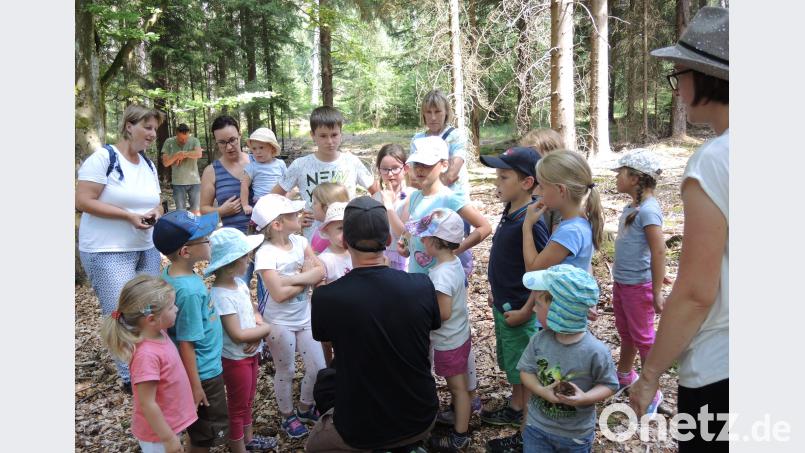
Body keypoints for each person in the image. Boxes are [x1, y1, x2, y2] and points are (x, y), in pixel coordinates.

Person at [630, 7, 729, 451]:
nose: (677, 86)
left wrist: (649, 375)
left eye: (678, 73)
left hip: (721, 369)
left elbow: (695, 291)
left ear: (706, 78)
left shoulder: (714, 161)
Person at [306, 196, 440, 452]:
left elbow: (328, 344)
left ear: (345, 242)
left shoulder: (326, 297)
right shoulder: (421, 286)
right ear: (388, 241)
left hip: (360, 429)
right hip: (420, 415)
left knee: (315, 444)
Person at [77, 104, 165, 392]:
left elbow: (157, 201)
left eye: (155, 129)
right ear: (129, 126)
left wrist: (156, 212)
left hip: (146, 246)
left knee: (150, 307)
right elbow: (83, 201)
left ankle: (150, 365)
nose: (153, 134)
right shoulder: (104, 159)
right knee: (120, 311)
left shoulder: (148, 164)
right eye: (147, 127)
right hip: (107, 250)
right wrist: (128, 216)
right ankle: (130, 377)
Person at [477, 147, 550, 453]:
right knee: (512, 361)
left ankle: (529, 430)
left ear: (527, 182)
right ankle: (517, 404)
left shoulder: (532, 221)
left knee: (526, 367)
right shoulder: (511, 209)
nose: (498, 181)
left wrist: (526, 309)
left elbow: (544, 271)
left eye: (504, 176)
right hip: (505, 305)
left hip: (521, 310)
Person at [518, 264, 618, 453]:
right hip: (537, 428)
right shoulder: (539, 340)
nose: (533, 310)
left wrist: (585, 398)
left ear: (559, 312)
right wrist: (541, 390)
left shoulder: (595, 351)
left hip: (575, 435)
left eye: (538, 305)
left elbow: (609, 385)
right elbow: (526, 371)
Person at [153, 210, 229, 452]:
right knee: (204, 436)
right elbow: (186, 342)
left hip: (197, 370)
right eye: (206, 238)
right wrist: (196, 387)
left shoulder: (171, 275)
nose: (210, 239)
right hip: (204, 373)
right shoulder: (189, 291)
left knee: (196, 429)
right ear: (185, 252)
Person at [251, 194, 326, 439]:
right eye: (293, 214)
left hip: (305, 317)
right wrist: (306, 279)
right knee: (287, 370)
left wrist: (292, 279)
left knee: (318, 368)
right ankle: (287, 415)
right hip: (278, 322)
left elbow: (320, 271)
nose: (300, 215)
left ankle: (305, 407)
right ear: (277, 224)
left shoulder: (301, 242)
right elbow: (278, 294)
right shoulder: (266, 253)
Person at [101, 275, 196, 453]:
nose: (176, 309)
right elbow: (147, 403)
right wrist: (168, 438)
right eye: (171, 307)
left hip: (168, 425)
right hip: (159, 435)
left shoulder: (158, 332)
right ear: (151, 319)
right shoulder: (146, 355)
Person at [406, 209, 474, 452]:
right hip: (458, 334)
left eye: (424, 237)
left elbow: (442, 313)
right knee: (460, 386)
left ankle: (460, 435)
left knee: (458, 388)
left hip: (449, 341)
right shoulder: (452, 263)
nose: (421, 240)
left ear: (435, 242)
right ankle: (459, 416)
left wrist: (418, 314)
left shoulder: (442, 275)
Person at [206, 228, 278, 452]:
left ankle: (248, 440)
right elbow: (236, 334)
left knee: (248, 400)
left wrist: (257, 324)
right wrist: (265, 329)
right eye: (245, 256)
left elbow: (252, 309)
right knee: (237, 407)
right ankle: (238, 447)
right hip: (235, 358)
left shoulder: (240, 285)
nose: (249, 259)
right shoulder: (220, 295)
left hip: (250, 352)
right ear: (231, 263)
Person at [610, 149, 666, 415]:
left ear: (634, 178)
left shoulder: (648, 211)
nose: (617, 177)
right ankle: (624, 374)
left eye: (620, 172)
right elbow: (644, 250)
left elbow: (659, 250)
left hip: (638, 287)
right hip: (623, 283)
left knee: (644, 338)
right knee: (626, 332)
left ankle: (650, 390)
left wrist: (656, 289)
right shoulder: (632, 207)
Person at [272, 106, 379, 239]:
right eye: (323, 136)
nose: (329, 141)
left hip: (347, 240)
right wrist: (295, 219)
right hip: (314, 242)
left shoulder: (351, 162)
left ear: (341, 133)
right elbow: (273, 197)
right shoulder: (300, 165)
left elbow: (377, 192)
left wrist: (362, 215)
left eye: (334, 135)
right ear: (313, 135)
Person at [398, 136, 491, 276]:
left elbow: (485, 227)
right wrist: (405, 244)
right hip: (416, 275)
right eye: (417, 163)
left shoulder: (450, 198)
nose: (420, 169)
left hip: (441, 278)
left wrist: (458, 249)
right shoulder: (414, 197)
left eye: (427, 164)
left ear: (444, 165)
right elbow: (411, 227)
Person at [200, 115, 257, 286]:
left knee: (270, 296)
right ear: (216, 143)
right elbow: (203, 208)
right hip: (235, 247)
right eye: (222, 142)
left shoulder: (258, 160)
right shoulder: (212, 171)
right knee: (236, 292)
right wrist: (221, 211)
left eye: (232, 140)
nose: (229, 146)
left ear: (240, 135)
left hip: (266, 237)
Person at [411, 89, 470, 205]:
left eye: (437, 112)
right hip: (427, 204)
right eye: (428, 112)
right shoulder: (417, 140)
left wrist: (425, 182)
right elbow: (412, 179)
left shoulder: (455, 136)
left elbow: (451, 175)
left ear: (446, 112)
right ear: (423, 114)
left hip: (455, 202)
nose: (433, 117)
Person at [314, 202, 351, 365]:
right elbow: (320, 293)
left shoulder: (356, 253)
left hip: (355, 310)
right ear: (327, 231)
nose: (347, 233)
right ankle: (329, 368)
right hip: (334, 312)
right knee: (329, 344)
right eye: (340, 228)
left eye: (349, 228)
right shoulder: (325, 259)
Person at [373, 143, 413, 271]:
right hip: (381, 256)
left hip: (403, 255)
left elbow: (403, 232)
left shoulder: (411, 195)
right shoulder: (376, 197)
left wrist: (388, 205)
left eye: (395, 168)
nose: (390, 174)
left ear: (405, 169)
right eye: (385, 169)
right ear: (379, 170)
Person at [518, 128, 565, 235]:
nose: (527, 159)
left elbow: (556, 240)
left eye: (532, 153)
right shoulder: (524, 185)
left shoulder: (558, 192)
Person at [240, 127, 287, 216]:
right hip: (261, 203)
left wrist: (287, 197)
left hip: (280, 201)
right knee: (264, 226)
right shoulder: (252, 167)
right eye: (254, 149)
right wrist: (245, 205)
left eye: (261, 147)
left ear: (272, 148)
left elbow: (287, 181)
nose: (257, 152)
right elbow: (244, 185)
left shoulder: (280, 164)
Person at [162, 123, 204, 214]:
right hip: (178, 182)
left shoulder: (194, 140)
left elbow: (199, 154)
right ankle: (182, 228)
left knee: (196, 210)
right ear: (176, 133)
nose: (184, 140)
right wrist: (176, 156)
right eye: (181, 138)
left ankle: (195, 227)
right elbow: (165, 163)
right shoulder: (169, 142)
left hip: (194, 181)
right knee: (181, 212)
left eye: (186, 138)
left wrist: (184, 154)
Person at [309, 182, 350, 254]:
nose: (311, 206)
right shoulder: (320, 232)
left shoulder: (323, 237)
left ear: (326, 207)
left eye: (315, 203)